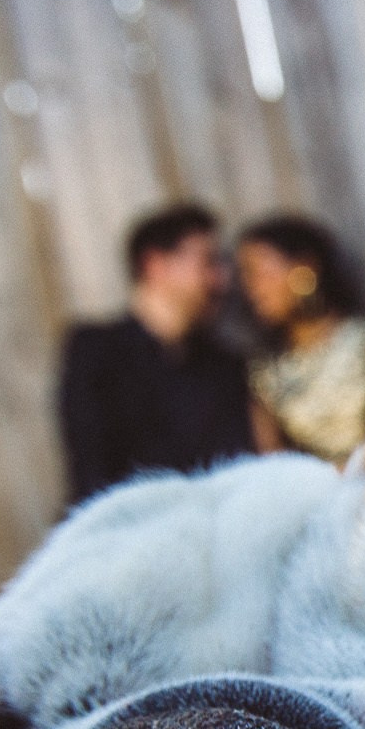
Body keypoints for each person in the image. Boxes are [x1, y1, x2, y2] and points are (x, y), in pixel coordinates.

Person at [57, 202, 253, 504]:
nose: (222, 281)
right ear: (155, 265)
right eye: (208, 262)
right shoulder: (95, 353)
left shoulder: (224, 364)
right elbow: (92, 472)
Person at [236, 214, 365, 464]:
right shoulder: (264, 374)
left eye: (258, 272)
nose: (251, 288)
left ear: (304, 270)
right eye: (245, 277)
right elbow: (275, 465)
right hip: (311, 496)